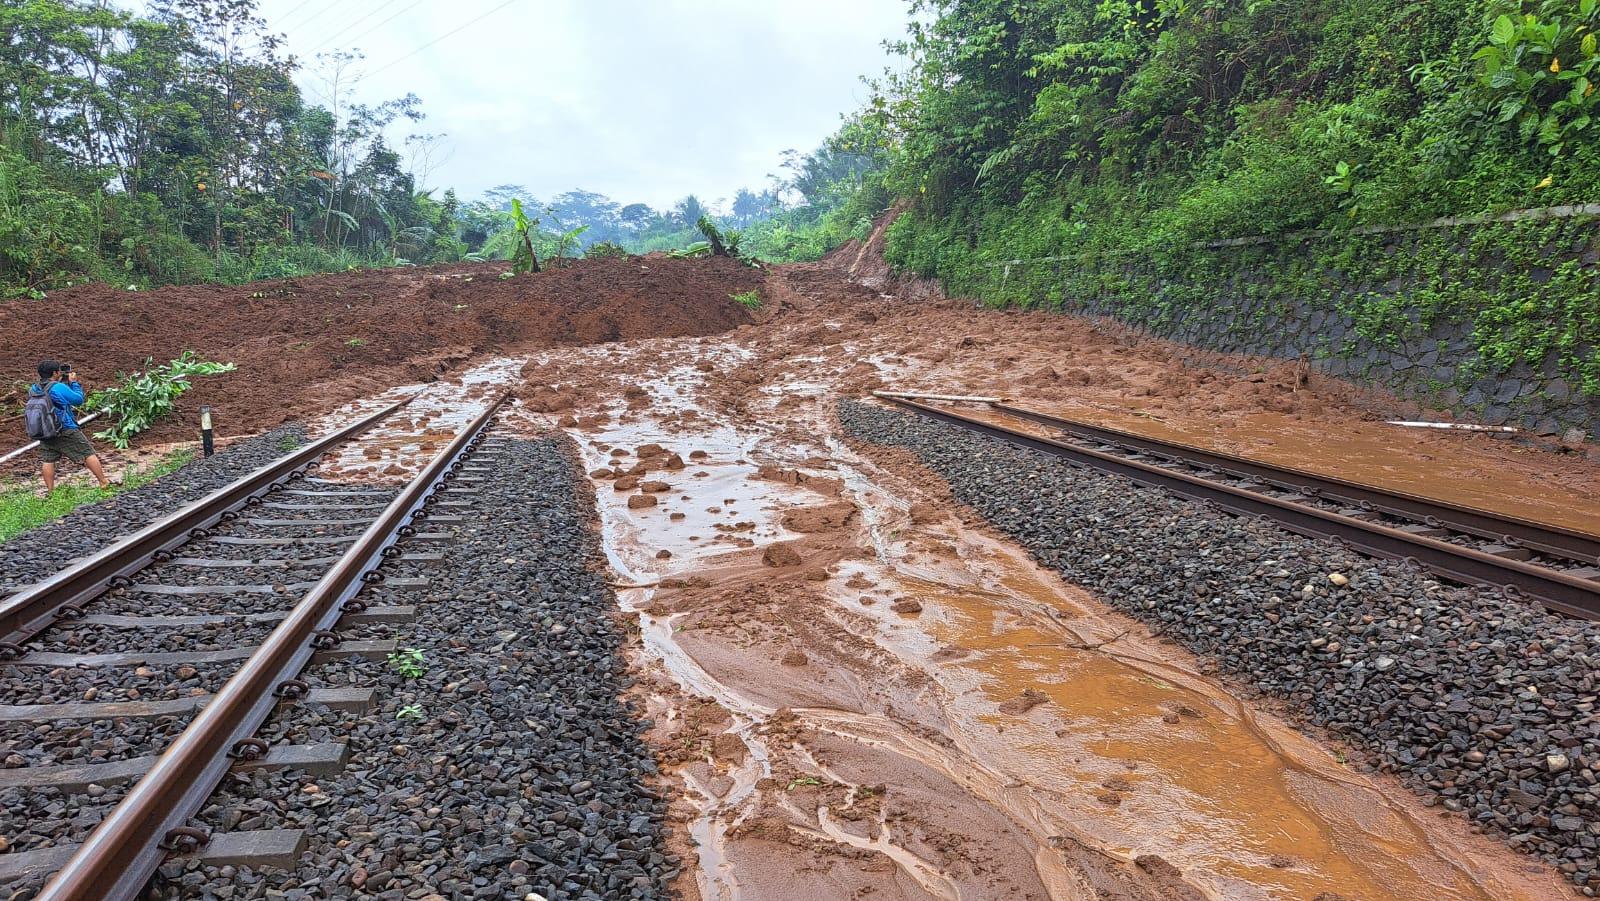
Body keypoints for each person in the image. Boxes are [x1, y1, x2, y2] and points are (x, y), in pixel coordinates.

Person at [30, 360, 112, 492]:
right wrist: (73, 383)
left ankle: (51, 492)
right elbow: (78, 400)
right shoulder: (57, 387)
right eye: (58, 371)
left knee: (48, 460)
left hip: (45, 429)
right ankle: (104, 482)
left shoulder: (34, 388)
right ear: (55, 372)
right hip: (64, 428)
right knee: (87, 452)